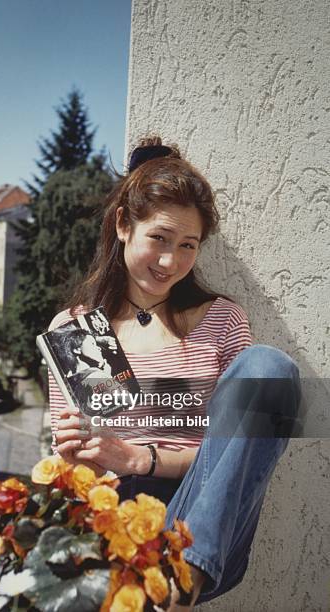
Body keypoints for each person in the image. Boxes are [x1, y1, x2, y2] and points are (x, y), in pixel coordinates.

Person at [47, 136, 300, 609]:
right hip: (114, 525)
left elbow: (234, 453)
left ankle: (178, 582)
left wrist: (142, 457)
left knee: (269, 368)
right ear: (124, 224)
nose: (170, 262)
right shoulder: (78, 329)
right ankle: (156, 586)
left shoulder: (222, 320)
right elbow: (73, 471)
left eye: (188, 245)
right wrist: (74, 452)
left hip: (199, 520)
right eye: (159, 238)